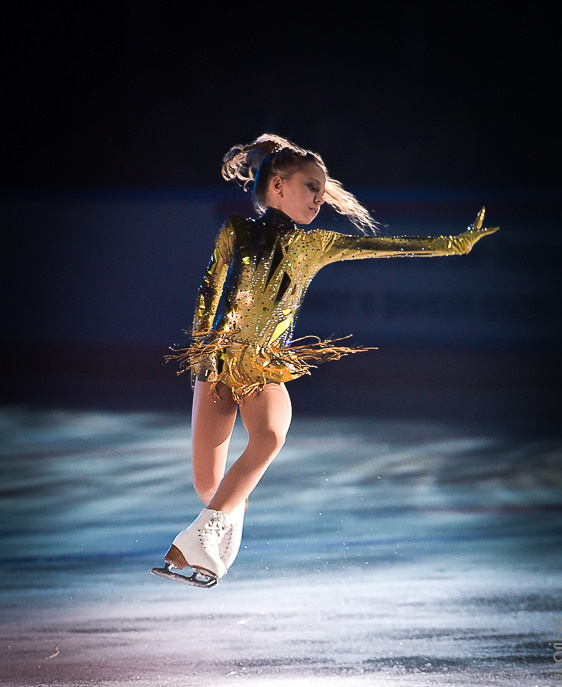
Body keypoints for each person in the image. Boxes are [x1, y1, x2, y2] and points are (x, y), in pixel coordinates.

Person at [151, 133, 498, 588]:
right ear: (278, 185)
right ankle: (213, 544)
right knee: (208, 487)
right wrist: (202, 364)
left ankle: (197, 540)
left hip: (265, 366)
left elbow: (389, 247)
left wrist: (453, 245)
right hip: (217, 364)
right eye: (311, 187)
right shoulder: (235, 231)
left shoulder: (316, 246)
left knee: (271, 434)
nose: (319, 198)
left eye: (322, 189)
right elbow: (207, 298)